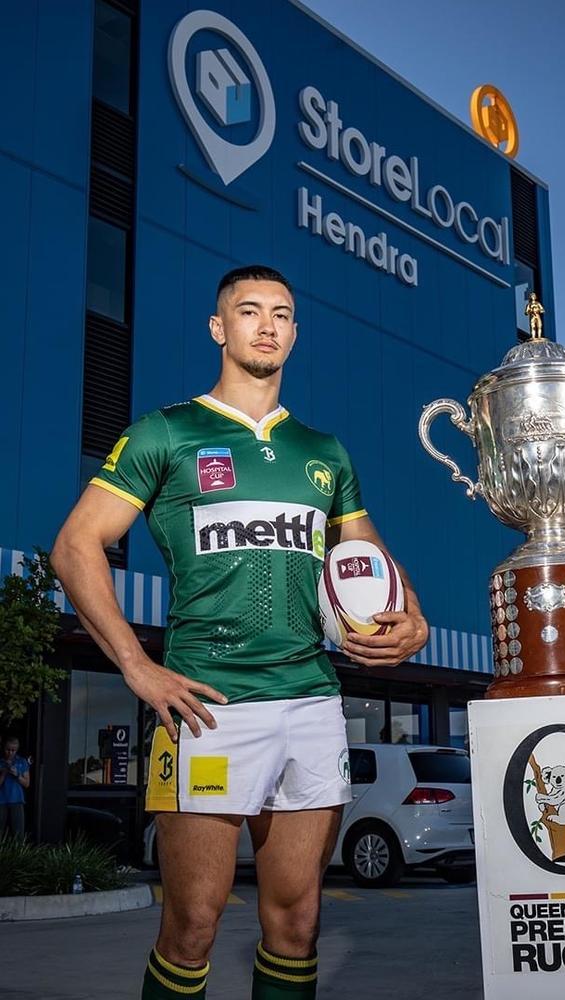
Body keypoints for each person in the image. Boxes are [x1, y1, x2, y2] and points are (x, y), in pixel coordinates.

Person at [51, 264, 428, 1000]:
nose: (266, 325)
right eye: (249, 312)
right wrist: (135, 664)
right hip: (208, 707)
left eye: (282, 314)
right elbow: (75, 545)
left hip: (311, 703)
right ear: (218, 328)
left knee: (298, 922)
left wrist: (410, 618)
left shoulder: (325, 452)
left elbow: (370, 561)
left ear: (293, 332)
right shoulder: (169, 432)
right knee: (192, 925)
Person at [0, 735, 30, 837]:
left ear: (17, 750)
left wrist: (17, 775)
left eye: (13, 750)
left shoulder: (22, 762)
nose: (10, 752)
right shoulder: (0, 762)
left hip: (17, 801)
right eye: (8, 749)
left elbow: (27, 784)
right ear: (4, 748)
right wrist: (4, 773)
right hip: (1, 802)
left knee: (18, 834)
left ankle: (18, 853)